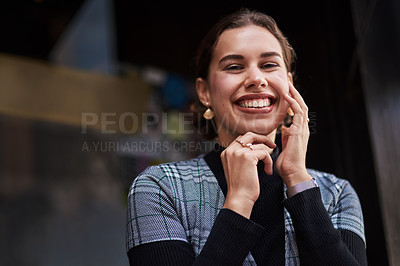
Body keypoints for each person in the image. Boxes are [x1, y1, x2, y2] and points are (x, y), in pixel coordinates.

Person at [126, 9, 367, 265]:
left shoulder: (336, 193)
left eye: (269, 65)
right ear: (204, 91)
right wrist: (239, 201)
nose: (255, 79)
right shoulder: (159, 188)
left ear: (289, 84)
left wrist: (297, 178)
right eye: (234, 66)